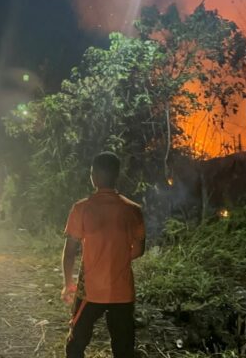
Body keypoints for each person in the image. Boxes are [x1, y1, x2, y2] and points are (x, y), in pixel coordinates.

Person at [61, 152, 146, 358]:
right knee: (123, 349)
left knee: (76, 345)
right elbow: (139, 250)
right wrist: (117, 257)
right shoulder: (133, 210)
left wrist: (68, 283)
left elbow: (70, 252)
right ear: (117, 175)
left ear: (94, 176)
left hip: (91, 292)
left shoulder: (81, 208)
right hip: (122, 291)